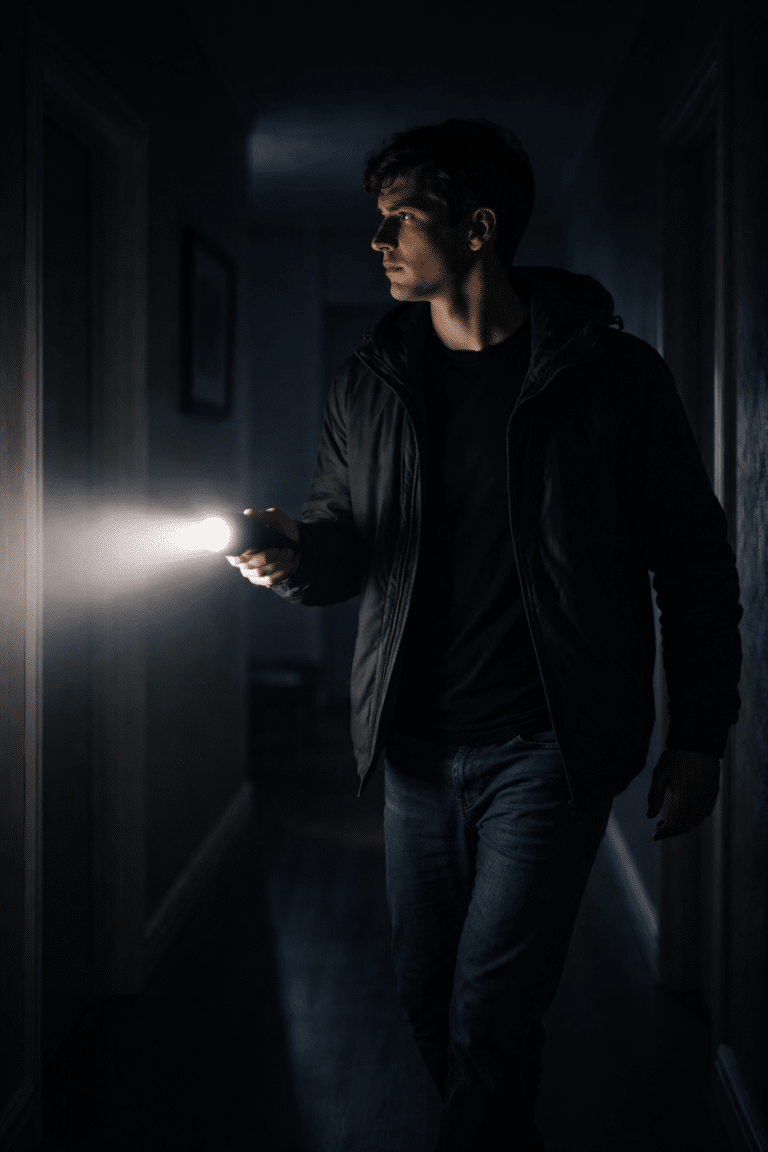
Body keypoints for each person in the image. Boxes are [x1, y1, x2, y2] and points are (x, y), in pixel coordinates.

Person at [234, 119, 743, 1151]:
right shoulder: (367, 381)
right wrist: (291, 558)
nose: (377, 241)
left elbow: (693, 561)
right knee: (428, 1002)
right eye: (376, 221)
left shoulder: (613, 379)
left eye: (401, 218)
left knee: (493, 1016)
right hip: (414, 752)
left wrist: (701, 732)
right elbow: (345, 548)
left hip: (547, 751)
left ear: (479, 228)